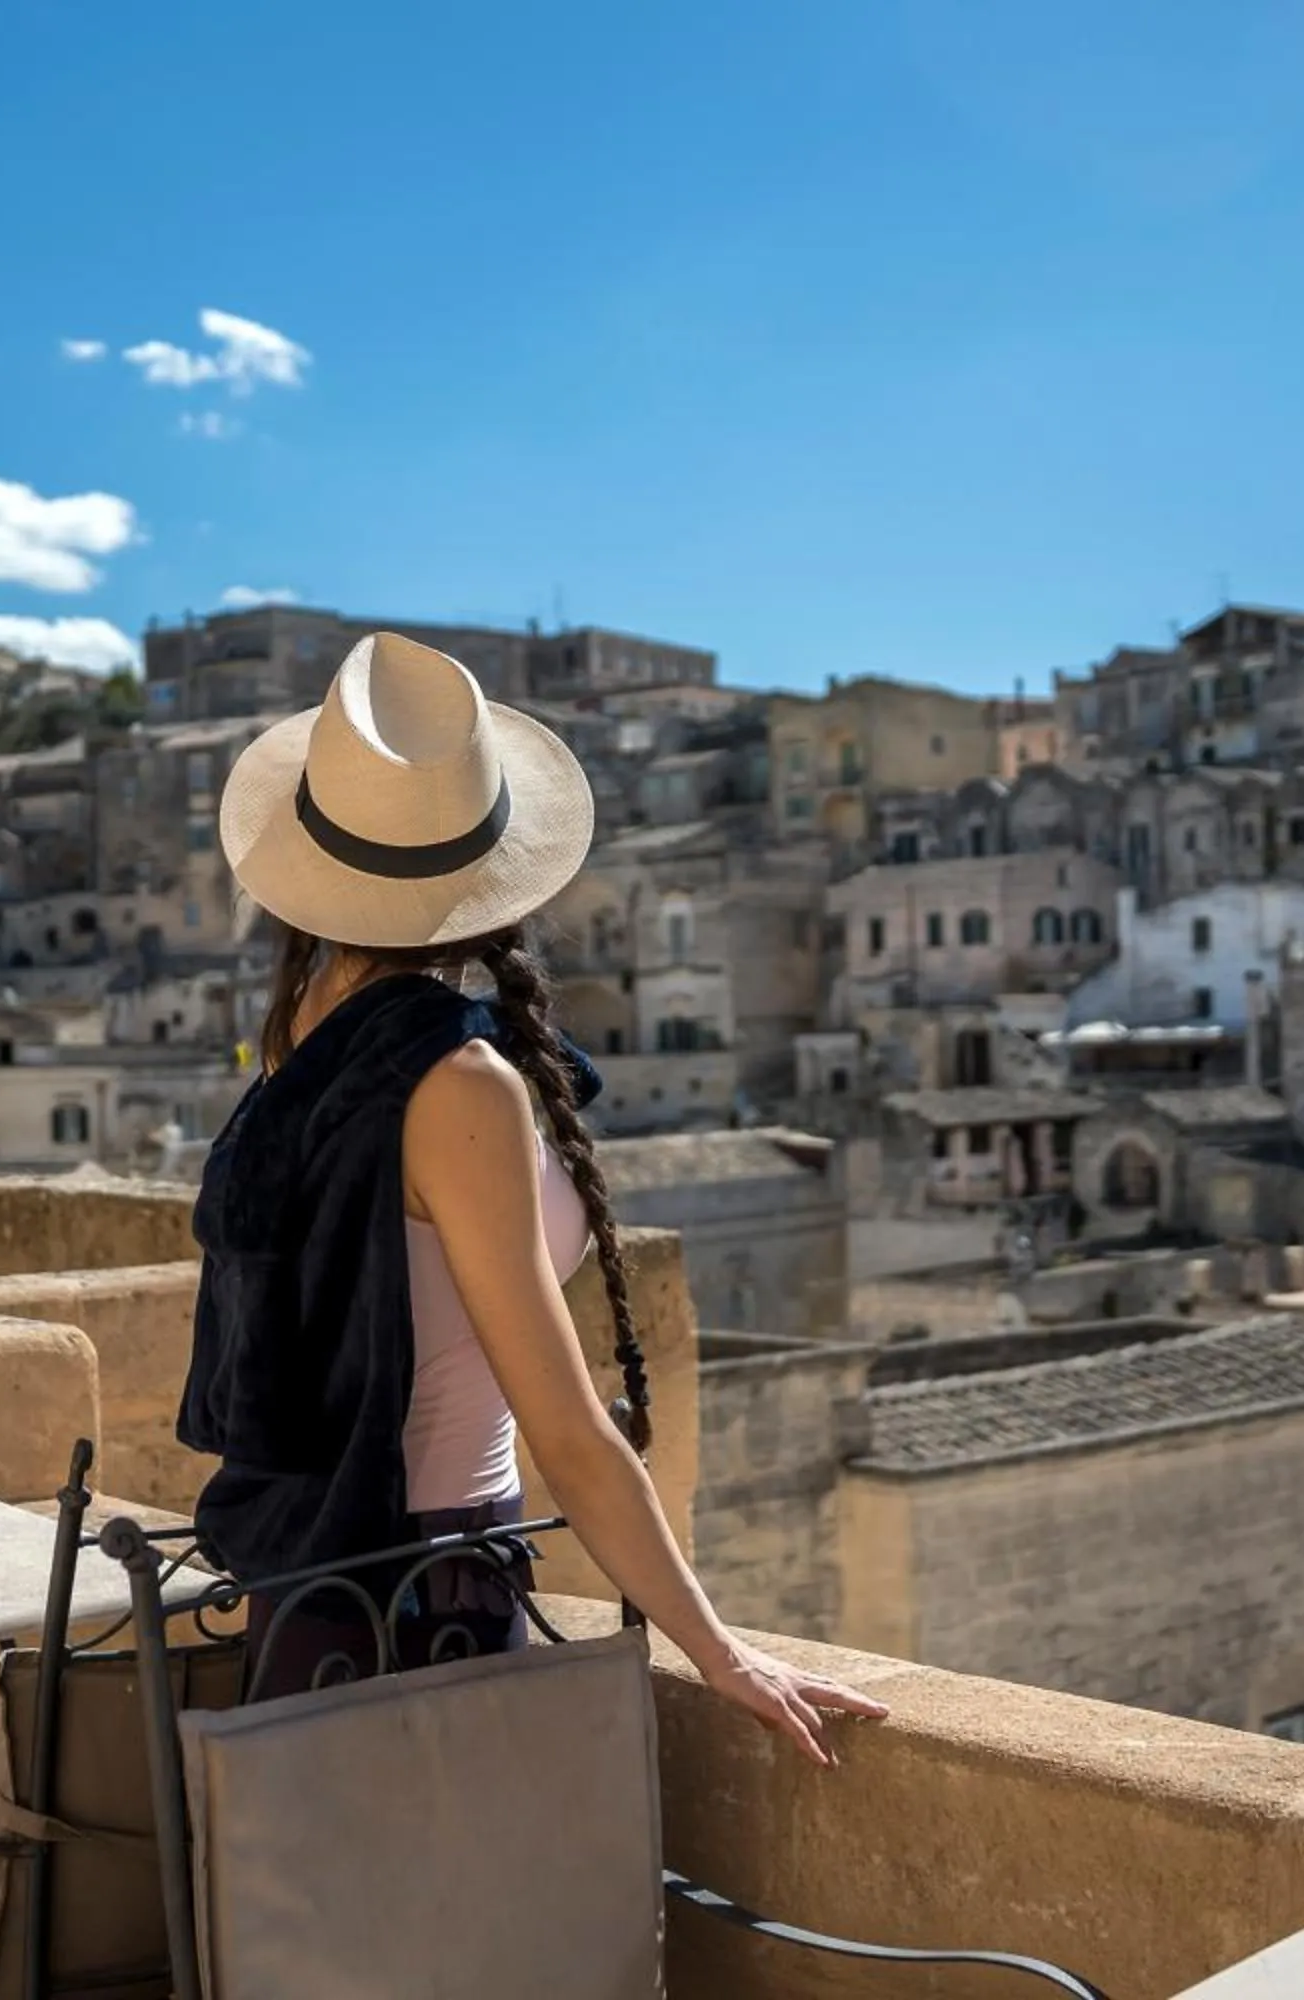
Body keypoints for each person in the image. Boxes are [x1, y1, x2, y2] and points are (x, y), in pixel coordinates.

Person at [177, 632, 884, 1765]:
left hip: (319, 1585)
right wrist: (721, 1650)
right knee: (463, 1930)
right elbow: (564, 1422)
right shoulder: (458, 1085)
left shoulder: (307, 1029)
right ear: (487, 862)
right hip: (424, 1586)